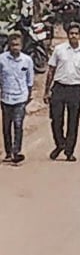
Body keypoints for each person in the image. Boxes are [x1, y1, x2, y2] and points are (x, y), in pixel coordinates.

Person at [43, 22, 80, 162]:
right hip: (59, 87)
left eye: (76, 33)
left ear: (79, 35)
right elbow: (51, 71)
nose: (73, 36)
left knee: (73, 121)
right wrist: (46, 90)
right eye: (71, 33)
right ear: (67, 34)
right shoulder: (59, 50)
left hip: (75, 89)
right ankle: (60, 143)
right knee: (56, 119)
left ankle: (69, 151)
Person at [0, 33, 34, 164]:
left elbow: (30, 80)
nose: (15, 48)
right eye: (13, 45)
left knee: (18, 125)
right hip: (5, 97)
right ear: (9, 45)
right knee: (6, 126)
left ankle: (16, 152)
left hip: (21, 97)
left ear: (22, 46)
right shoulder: (2, 59)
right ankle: (8, 152)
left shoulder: (27, 60)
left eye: (18, 45)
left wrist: (28, 96)